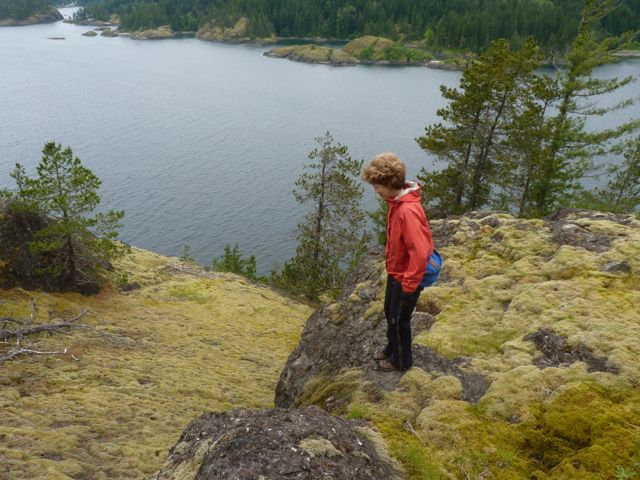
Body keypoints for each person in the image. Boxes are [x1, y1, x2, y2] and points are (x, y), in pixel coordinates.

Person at [361, 152, 434, 372]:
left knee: (399, 319)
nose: (375, 190)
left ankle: (401, 361)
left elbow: (420, 252)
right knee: (390, 313)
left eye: (377, 186)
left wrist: (409, 285)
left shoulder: (407, 210)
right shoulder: (396, 202)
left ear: (389, 184)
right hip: (397, 272)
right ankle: (392, 348)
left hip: (407, 278)